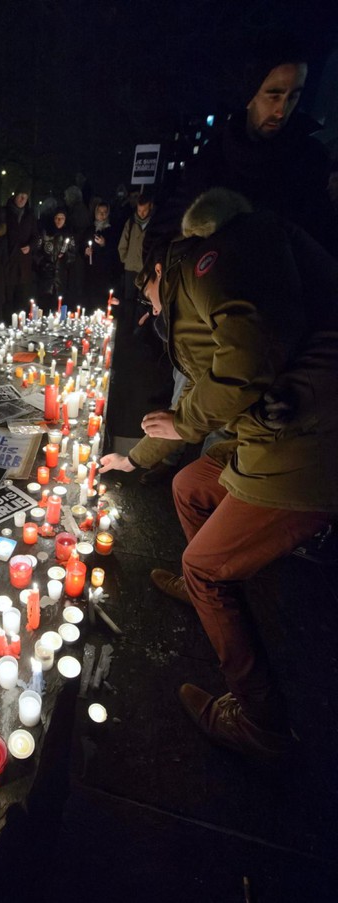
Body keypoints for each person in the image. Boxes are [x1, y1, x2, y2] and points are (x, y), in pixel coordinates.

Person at [100, 187, 338, 759]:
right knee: (189, 487)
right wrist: (159, 444)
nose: (153, 311)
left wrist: (180, 427)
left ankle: (260, 720)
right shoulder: (243, 258)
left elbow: (246, 362)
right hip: (279, 427)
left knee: (203, 566)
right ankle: (208, 585)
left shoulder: (208, 266)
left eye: (150, 298)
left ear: (160, 269)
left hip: (309, 446)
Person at [147, 32, 336, 254]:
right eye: (273, 95)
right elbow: (156, 244)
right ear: (250, 93)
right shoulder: (211, 163)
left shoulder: (312, 161)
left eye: (293, 96)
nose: (281, 110)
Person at [4, 186, 38, 317]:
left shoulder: (29, 215)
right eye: (20, 196)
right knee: (9, 299)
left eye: (25, 196)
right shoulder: (6, 213)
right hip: (9, 262)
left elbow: (36, 236)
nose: (22, 199)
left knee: (22, 298)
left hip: (24, 264)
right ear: (14, 196)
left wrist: (30, 246)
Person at [118, 193, 154, 310]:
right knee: (128, 299)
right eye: (139, 210)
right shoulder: (131, 222)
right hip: (131, 267)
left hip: (145, 268)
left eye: (144, 210)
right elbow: (123, 242)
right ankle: (127, 322)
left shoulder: (153, 224)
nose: (141, 213)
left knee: (142, 301)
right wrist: (126, 259)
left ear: (150, 208)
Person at [34, 208, 76, 308]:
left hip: (61, 275)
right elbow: (37, 251)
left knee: (59, 303)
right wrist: (43, 262)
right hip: (45, 273)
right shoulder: (45, 233)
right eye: (57, 218)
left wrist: (65, 257)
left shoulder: (68, 235)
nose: (59, 221)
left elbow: (73, 254)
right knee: (44, 303)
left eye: (62, 218)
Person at [82, 200, 120, 306]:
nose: (102, 214)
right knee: (90, 297)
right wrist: (86, 251)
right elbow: (82, 246)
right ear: (95, 212)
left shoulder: (111, 230)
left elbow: (114, 250)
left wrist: (104, 244)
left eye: (105, 212)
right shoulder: (90, 229)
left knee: (101, 299)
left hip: (104, 271)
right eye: (99, 211)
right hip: (91, 270)